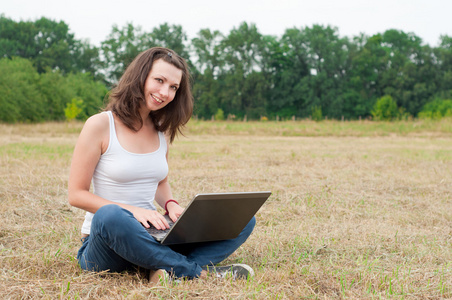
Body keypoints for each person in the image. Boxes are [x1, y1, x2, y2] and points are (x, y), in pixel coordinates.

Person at [68, 47, 256, 282]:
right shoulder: (100, 125)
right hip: (108, 243)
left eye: (173, 87)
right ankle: (195, 271)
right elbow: (76, 195)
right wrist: (133, 211)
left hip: (152, 234)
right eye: (159, 80)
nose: (165, 92)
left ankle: (162, 267)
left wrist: (171, 204)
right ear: (141, 76)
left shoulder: (160, 132)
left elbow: (160, 182)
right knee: (110, 215)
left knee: (243, 218)